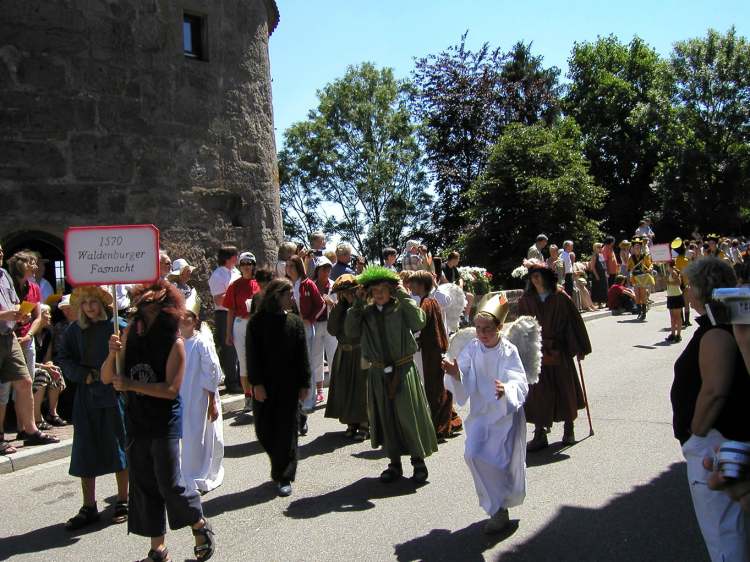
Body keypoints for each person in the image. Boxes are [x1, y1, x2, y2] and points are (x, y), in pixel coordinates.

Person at [103, 281, 215, 562]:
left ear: (167, 310)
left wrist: (129, 384)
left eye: (153, 308)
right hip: (137, 419)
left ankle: (200, 524)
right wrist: (111, 353)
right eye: (143, 307)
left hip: (164, 421)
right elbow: (108, 378)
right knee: (143, 485)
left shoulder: (174, 342)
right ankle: (158, 550)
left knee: (169, 484)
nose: (146, 312)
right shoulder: (128, 334)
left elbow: (169, 390)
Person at [670, 257, 750, 562]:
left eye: (689, 286)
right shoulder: (727, 324)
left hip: (713, 441)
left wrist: (695, 431)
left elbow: (715, 391)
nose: (687, 292)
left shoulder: (716, 331)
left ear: (701, 291)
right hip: (721, 438)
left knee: (723, 532)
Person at [442, 294, 528, 533]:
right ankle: (496, 507)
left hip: (505, 416)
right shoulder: (473, 347)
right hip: (481, 414)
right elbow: (465, 371)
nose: (481, 333)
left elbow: (519, 381)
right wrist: (455, 372)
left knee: (502, 463)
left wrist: (507, 390)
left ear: (499, 327)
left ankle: (501, 509)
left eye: (487, 329)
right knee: (473, 454)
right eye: (478, 328)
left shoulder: (508, 351)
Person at [345, 266, 438, 483]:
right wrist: (357, 303)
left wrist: (403, 294)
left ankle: (418, 462)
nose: (378, 293)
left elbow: (419, 322)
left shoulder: (401, 308)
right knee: (386, 417)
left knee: (408, 415)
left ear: (391, 290)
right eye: (374, 289)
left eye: (383, 289)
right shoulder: (365, 313)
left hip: (403, 369)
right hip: (378, 372)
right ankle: (394, 464)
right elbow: (350, 332)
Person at [56, 286, 129, 529]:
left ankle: (123, 500)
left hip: (113, 393)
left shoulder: (117, 326)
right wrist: (81, 374)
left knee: (119, 445)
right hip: (87, 395)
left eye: (93, 302)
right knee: (85, 448)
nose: (88, 307)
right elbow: (64, 358)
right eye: (84, 302)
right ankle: (89, 506)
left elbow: (132, 354)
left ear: (102, 303)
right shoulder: (74, 330)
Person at [247, 278, 312, 497]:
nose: (293, 299)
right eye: (289, 295)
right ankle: (279, 462)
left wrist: (305, 383)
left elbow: (302, 355)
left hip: (289, 385)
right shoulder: (256, 323)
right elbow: (252, 356)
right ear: (277, 296)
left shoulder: (294, 322)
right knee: (264, 430)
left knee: (286, 430)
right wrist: (256, 384)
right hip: (265, 385)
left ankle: (283, 474)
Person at [518, 260, 591, 451]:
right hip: (537, 351)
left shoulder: (560, 297)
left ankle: (569, 428)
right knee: (538, 393)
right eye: (532, 277)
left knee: (564, 388)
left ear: (546, 277)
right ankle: (540, 432)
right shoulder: (527, 300)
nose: (535, 281)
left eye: (538, 276)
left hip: (559, 350)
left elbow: (573, 322)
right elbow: (522, 326)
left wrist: (579, 348)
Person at [179, 293, 224, 494]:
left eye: (186, 316)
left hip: (200, 396)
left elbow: (211, 371)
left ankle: (200, 473)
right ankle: (186, 472)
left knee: (200, 433)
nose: (182, 320)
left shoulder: (201, 342)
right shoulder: (178, 342)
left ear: (194, 320)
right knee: (187, 434)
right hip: (183, 395)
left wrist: (211, 400)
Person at [410, 271, 458, 441]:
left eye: (414, 284)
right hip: (433, 349)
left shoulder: (427, 303)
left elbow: (418, 324)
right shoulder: (430, 301)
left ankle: (441, 428)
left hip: (431, 351)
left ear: (422, 285)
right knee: (437, 386)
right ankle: (451, 421)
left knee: (433, 389)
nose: (410, 287)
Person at [324, 274, 369, 439]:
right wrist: (339, 308)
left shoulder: (363, 306)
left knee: (362, 388)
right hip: (343, 352)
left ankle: (365, 423)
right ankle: (351, 422)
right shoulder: (339, 308)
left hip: (361, 352)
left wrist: (357, 304)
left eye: (350, 291)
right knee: (345, 388)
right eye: (344, 293)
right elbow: (332, 330)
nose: (347, 295)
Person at [285, 255, 324, 428]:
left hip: (306, 327)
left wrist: (310, 318)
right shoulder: (286, 285)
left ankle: (308, 400)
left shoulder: (308, 284)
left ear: (299, 267)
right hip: (290, 328)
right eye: (287, 266)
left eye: (292, 266)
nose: (289, 269)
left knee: (306, 362)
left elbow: (320, 304)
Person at [223, 252, 261, 413]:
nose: (246, 266)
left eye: (249, 263)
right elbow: (230, 310)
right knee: (244, 362)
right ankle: (248, 397)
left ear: (253, 265)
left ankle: (260, 394)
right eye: (243, 263)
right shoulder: (234, 285)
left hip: (257, 324)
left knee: (259, 360)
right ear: (240, 266)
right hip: (240, 324)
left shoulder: (259, 283)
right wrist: (228, 333)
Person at [208, 245, 241, 393]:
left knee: (240, 348)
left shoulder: (236, 272)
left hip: (238, 313)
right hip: (224, 314)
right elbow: (219, 300)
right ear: (229, 258)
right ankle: (232, 383)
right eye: (235, 255)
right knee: (229, 349)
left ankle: (241, 380)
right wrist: (236, 295)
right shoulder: (218, 275)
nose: (238, 258)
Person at [32, 303, 66, 430]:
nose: (50, 316)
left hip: (41, 366)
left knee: (56, 371)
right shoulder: (29, 334)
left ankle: (52, 413)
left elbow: (48, 358)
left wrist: (50, 365)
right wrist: (45, 367)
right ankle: (36, 418)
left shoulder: (48, 333)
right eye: (46, 313)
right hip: (31, 367)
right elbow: (25, 361)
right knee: (42, 375)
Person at [310, 257, 337, 405]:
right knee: (316, 358)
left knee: (333, 356)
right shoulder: (311, 286)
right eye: (323, 268)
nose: (326, 271)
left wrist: (332, 303)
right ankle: (319, 391)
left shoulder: (334, 285)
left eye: (328, 268)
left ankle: (335, 391)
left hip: (330, 325)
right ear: (317, 270)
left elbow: (340, 305)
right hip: (315, 325)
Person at [627, 238, 655, 321]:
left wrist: (650, 269)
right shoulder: (631, 258)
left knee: (643, 296)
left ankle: (644, 313)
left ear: (641, 248)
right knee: (637, 296)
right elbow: (629, 268)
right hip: (635, 278)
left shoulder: (645, 256)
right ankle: (639, 312)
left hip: (643, 278)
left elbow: (650, 264)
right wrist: (630, 270)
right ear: (633, 249)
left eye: (638, 247)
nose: (637, 249)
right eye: (635, 247)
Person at [665, 265, 684, 343]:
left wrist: (669, 282)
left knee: (677, 317)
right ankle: (673, 334)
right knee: (672, 317)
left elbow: (679, 282)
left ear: (670, 266)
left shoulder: (674, 272)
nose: (666, 267)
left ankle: (678, 335)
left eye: (667, 266)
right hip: (671, 296)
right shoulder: (669, 273)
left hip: (676, 296)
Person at [588, 243, 608, 309]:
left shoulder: (601, 255)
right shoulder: (594, 256)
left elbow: (604, 265)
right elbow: (592, 267)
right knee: (598, 288)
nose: (600, 248)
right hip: (597, 274)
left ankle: (603, 302)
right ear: (595, 248)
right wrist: (596, 275)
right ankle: (598, 303)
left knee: (603, 287)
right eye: (598, 247)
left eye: (600, 247)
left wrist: (606, 273)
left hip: (602, 273)